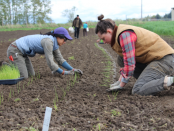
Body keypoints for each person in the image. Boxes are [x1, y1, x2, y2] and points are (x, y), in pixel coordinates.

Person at [95, 14, 174, 96]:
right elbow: (126, 60)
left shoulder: (124, 35)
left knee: (138, 90)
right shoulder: (119, 33)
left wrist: (121, 85)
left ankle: (170, 80)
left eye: (103, 38)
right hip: (156, 60)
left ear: (109, 32)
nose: (103, 42)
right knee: (121, 59)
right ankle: (152, 80)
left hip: (165, 60)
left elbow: (130, 63)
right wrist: (119, 81)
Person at [7, 27, 83, 79]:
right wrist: (64, 72)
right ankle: (5, 66)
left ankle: (14, 66)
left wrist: (73, 70)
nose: (65, 42)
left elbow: (60, 59)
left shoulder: (54, 43)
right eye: (65, 39)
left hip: (23, 53)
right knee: (23, 77)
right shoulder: (48, 42)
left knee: (31, 75)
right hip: (15, 50)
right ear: (58, 37)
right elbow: (50, 62)